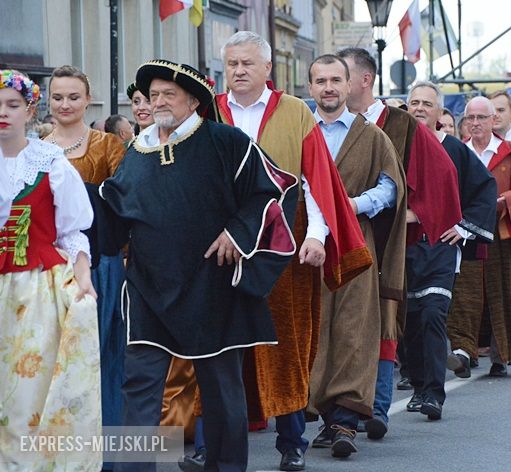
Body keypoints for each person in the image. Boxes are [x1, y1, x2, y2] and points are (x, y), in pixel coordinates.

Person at [100, 60, 299, 472]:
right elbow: (112, 210)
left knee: (222, 391)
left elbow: (274, 191)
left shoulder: (226, 142)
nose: (158, 102)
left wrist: (238, 234)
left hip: (213, 286)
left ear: (193, 101)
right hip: (148, 287)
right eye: (153, 95)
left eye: (168, 94)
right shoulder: (136, 152)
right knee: (139, 385)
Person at [211, 32, 371, 471]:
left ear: (268, 69)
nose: (239, 71)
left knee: (285, 339)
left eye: (247, 64)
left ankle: (291, 440)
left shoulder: (295, 112)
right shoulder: (210, 111)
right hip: (222, 241)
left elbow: (316, 181)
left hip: (285, 238)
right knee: (218, 342)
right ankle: (212, 443)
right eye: (232, 64)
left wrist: (316, 236)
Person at [337, 50, 461, 433]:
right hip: (340, 237)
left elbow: (443, 176)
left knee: (388, 319)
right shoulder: (326, 123)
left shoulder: (400, 123)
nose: (334, 85)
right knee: (344, 323)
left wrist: (414, 213)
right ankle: (339, 411)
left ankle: (377, 406)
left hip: (392, 242)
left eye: (342, 76)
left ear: (364, 80)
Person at [305, 54, 406, 459]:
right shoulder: (299, 130)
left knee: (352, 330)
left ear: (350, 86)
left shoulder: (372, 136)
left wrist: (350, 206)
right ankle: (323, 415)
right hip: (306, 248)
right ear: (310, 88)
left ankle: (345, 420)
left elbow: (390, 188)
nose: (328, 88)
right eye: (320, 81)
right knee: (313, 330)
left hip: (353, 246)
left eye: (335, 80)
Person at [0, 69, 100, 469]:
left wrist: (85, 276)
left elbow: (73, 231)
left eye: (12, 105)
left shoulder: (49, 162)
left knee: (25, 390)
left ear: (29, 110)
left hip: (34, 289)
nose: (3, 113)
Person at [43, 65, 127, 445]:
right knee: (57, 358)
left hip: (101, 262)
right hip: (47, 268)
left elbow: (124, 204)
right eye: (58, 97)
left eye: (73, 96)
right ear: (47, 101)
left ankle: (108, 451)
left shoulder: (108, 145)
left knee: (103, 355)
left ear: (88, 99)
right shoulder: (36, 149)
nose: (65, 104)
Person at [403, 81, 496, 417]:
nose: (419, 108)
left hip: (439, 247)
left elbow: (485, 189)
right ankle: (416, 385)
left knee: (432, 313)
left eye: (427, 103)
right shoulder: (394, 144)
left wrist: (462, 227)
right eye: (414, 102)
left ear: (440, 112)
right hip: (402, 247)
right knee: (409, 319)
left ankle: (433, 393)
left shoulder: (454, 150)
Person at [448, 96, 511, 378]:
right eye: (470, 118)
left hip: (502, 235)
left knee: (503, 294)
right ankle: (464, 352)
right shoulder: (457, 152)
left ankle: (503, 354)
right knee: (465, 295)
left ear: (494, 121)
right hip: (465, 235)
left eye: (481, 118)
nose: (475, 123)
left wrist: (506, 201)